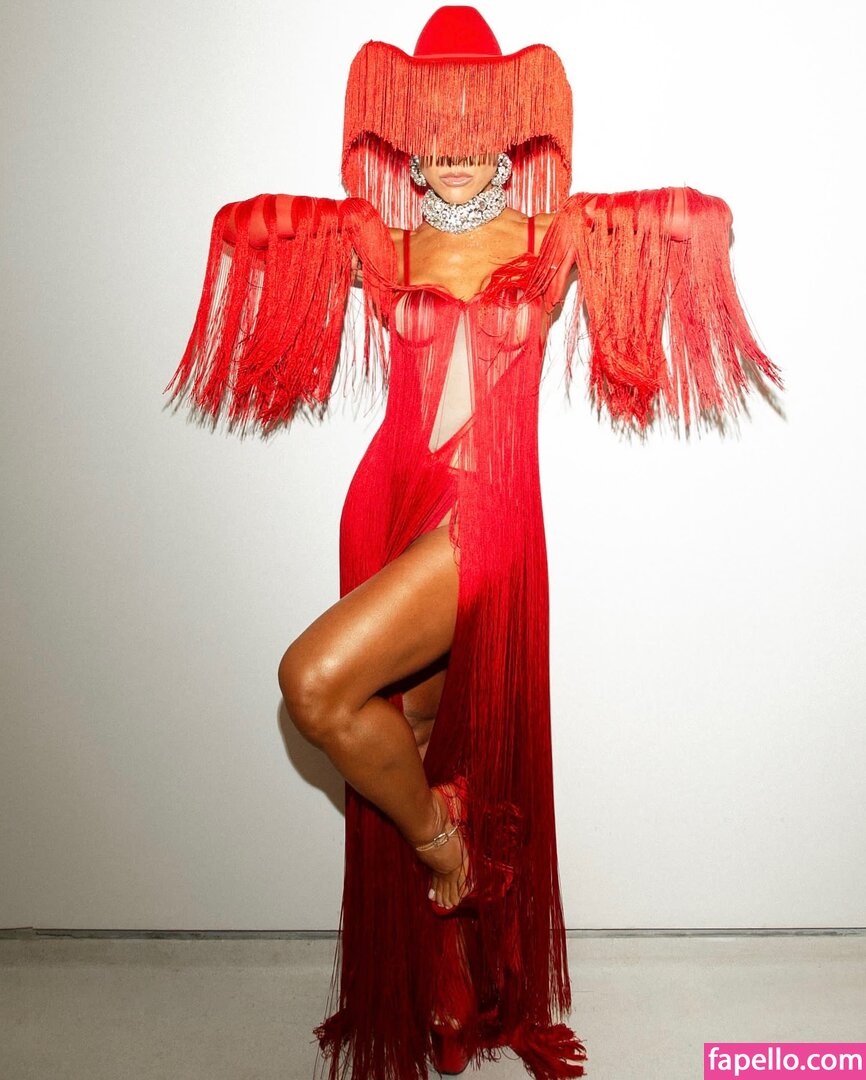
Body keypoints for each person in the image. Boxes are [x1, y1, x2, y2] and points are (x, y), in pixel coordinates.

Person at [163, 7, 784, 1078]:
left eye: (473, 125)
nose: (452, 150)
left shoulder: (553, 237)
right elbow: (243, 231)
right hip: (388, 507)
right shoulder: (386, 243)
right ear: (409, 139)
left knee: (314, 682)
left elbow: (702, 221)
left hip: (485, 521)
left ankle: (443, 840)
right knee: (407, 735)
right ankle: (447, 969)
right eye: (433, 128)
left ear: (507, 133)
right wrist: (296, 216)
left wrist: (629, 217)